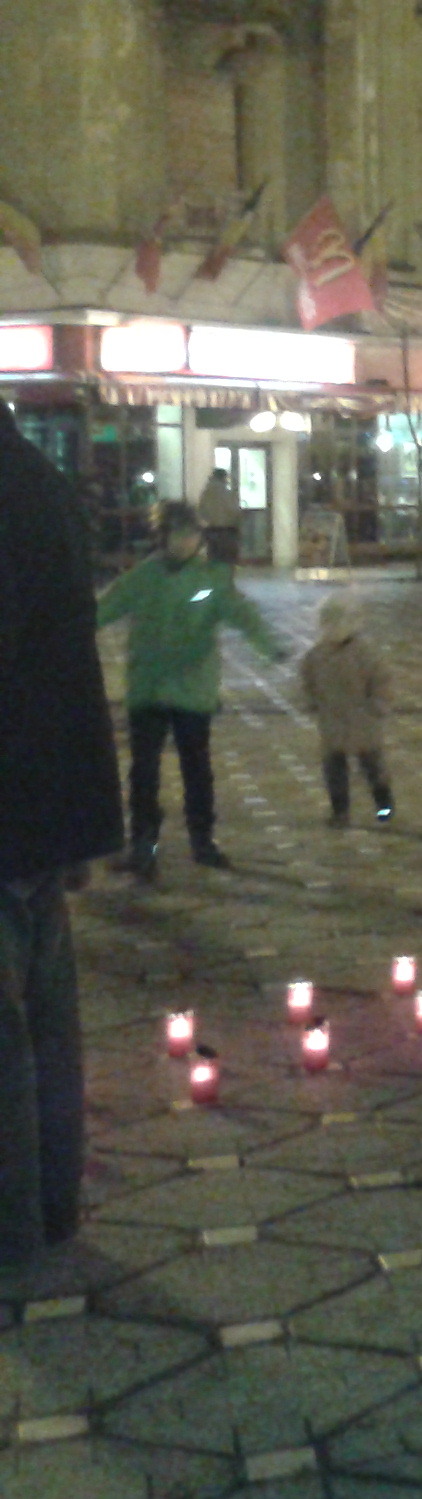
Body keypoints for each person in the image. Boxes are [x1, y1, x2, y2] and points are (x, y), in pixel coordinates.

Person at [0, 401, 121, 1269]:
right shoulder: (39, 484)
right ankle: (53, 1206)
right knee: (46, 1020)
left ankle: (10, 1226)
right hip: (51, 798)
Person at [95, 499, 283, 877]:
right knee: (144, 771)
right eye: (177, 533)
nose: (186, 541)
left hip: (192, 691)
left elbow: (241, 612)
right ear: (161, 537)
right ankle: (143, 844)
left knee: (196, 767)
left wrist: (268, 645)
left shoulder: (211, 578)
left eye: (192, 533)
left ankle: (203, 839)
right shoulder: (142, 578)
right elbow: (104, 610)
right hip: (148, 689)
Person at [299, 596, 394, 826]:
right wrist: (310, 701)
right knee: (335, 770)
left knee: (372, 767)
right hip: (333, 721)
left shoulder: (366, 653)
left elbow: (382, 680)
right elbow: (307, 680)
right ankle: (340, 811)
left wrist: (379, 704)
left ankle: (384, 808)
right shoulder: (317, 655)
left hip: (363, 720)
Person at [197, 468, 242, 566]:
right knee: (227, 560)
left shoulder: (206, 493)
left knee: (214, 558)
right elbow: (235, 511)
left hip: (211, 530)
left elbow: (201, 512)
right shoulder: (228, 493)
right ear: (224, 478)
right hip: (228, 531)